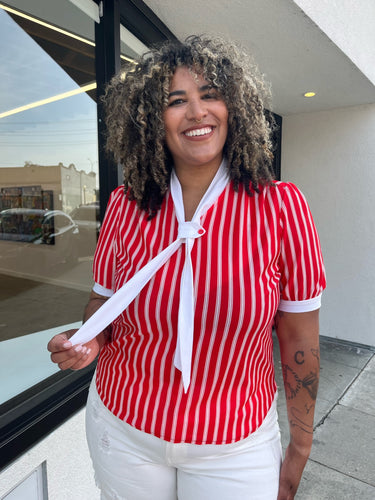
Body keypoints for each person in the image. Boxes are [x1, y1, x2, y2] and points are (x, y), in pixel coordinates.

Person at [47, 35, 326, 500]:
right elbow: (104, 303)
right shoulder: (124, 206)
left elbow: (300, 341)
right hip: (123, 429)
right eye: (177, 101)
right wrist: (88, 339)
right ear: (152, 120)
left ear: (233, 106)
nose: (197, 112)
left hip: (235, 446)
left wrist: (301, 443)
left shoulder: (282, 208)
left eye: (210, 94)